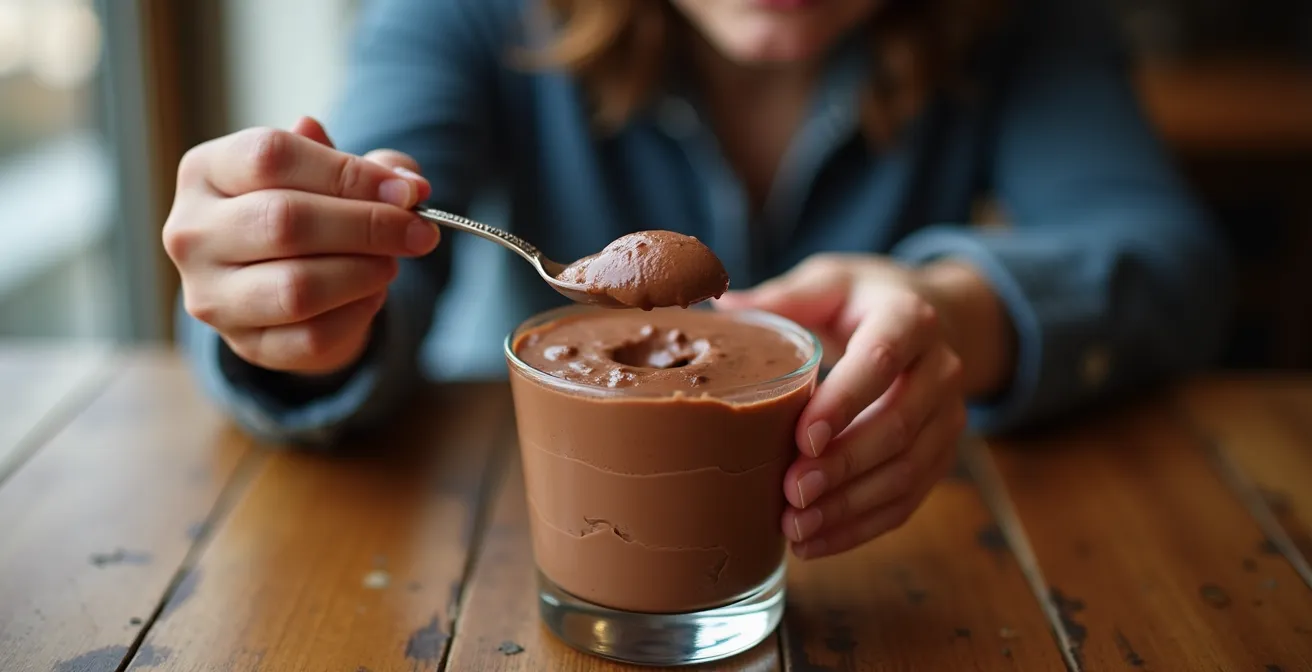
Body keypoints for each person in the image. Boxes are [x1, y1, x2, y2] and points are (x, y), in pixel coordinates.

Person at [162, 0, 1233, 561]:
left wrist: (958, 309)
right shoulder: (474, 10)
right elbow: (356, 235)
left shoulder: (1017, 21)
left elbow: (1171, 261)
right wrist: (303, 308)